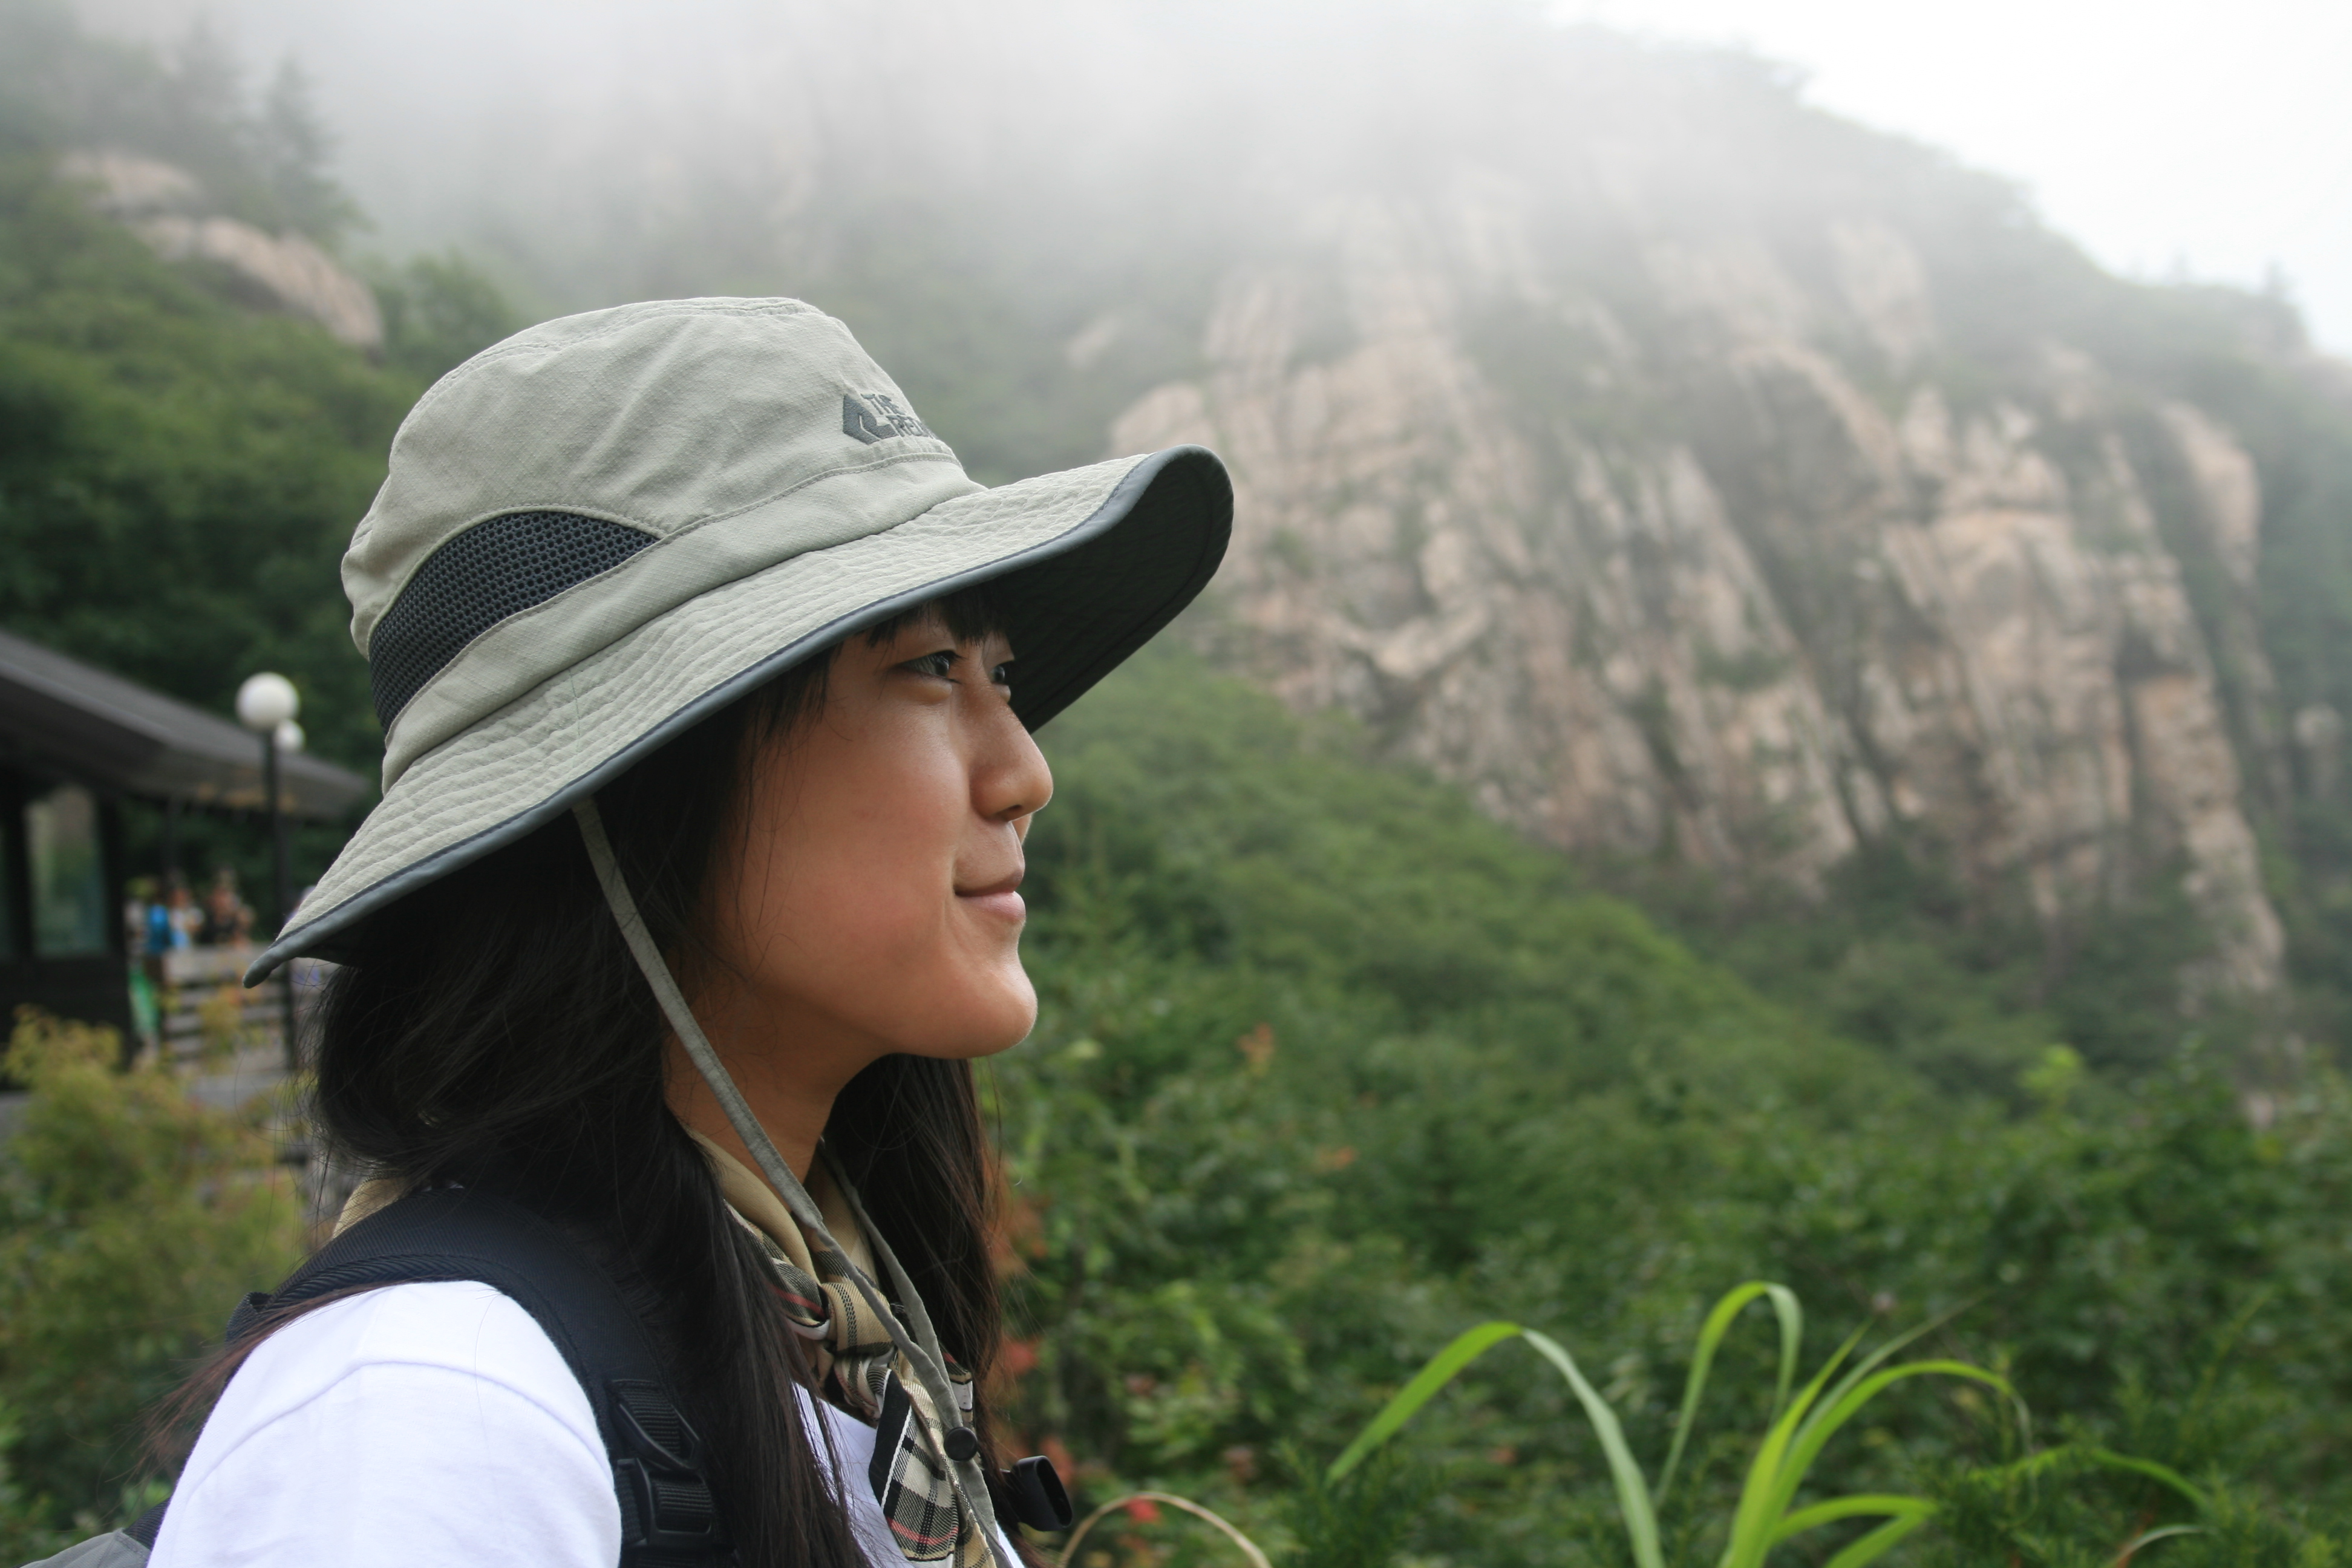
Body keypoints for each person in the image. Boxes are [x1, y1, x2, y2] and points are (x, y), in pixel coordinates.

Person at [146, 298, 1230, 1568]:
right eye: (929, 669)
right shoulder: (433, 1420)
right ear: (642, 772)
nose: (1026, 773)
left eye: (1001, 676)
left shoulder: (835, 1326)